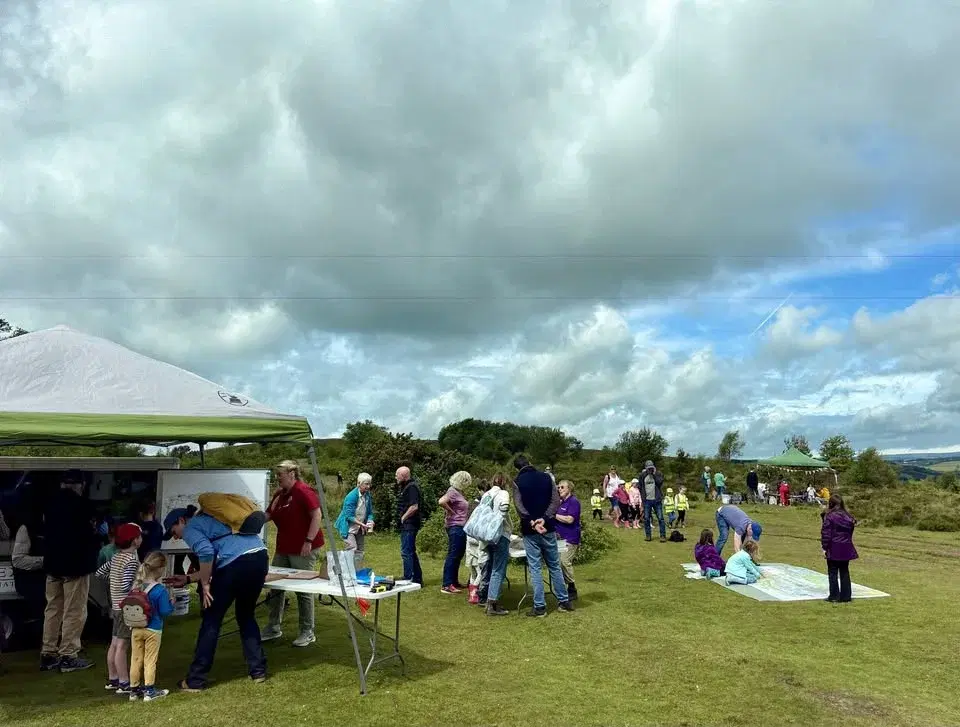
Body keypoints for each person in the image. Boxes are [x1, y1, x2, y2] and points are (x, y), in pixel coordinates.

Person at [163, 503, 269, 691]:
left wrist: (204, 585)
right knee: (246, 616)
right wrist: (188, 578)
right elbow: (216, 561)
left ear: (181, 521)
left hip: (235, 564)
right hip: (259, 557)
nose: (176, 537)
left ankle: (195, 680)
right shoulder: (213, 519)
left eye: (174, 531)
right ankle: (258, 671)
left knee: (211, 620)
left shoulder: (192, 526)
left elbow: (206, 553)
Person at [41, 470, 100, 673]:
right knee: (74, 611)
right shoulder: (84, 506)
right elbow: (90, 535)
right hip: (75, 566)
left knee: (53, 609)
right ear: (80, 485)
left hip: (52, 565)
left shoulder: (49, 504)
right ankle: (68, 655)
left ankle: (48, 653)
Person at [262, 460, 325, 648]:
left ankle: (307, 631)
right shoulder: (279, 495)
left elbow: (317, 515)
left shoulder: (303, 491)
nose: (277, 478)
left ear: (291, 474)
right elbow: (268, 515)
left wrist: (308, 541)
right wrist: (247, 522)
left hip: (303, 547)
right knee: (275, 586)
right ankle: (273, 627)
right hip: (284, 547)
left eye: (279, 474)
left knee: (303, 589)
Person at [512, 455, 573, 617]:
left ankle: (540, 607)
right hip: (549, 527)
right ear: (530, 463)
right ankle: (563, 601)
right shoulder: (547, 477)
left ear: (517, 468)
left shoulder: (517, 482)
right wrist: (544, 518)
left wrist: (532, 521)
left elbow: (519, 506)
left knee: (535, 568)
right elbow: (555, 501)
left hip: (530, 530)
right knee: (554, 565)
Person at [95, 522, 142, 695]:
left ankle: (113, 678)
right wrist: (135, 587)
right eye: (139, 536)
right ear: (134, 541)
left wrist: (112, 579)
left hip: (115, 606)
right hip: (125, 608)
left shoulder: (115, 557)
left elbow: (99, 573)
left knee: (114, 643)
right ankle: (124, 682)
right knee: (122, 645)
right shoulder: (131, 560)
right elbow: (125, 586)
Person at [128, 551, 174, 701]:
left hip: (136, 628)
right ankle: (149, 691)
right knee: (150, 659)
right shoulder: (160, 590)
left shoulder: (137, 586)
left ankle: (134, 690)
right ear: (160, 569)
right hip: (153, 629)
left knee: (135, 659)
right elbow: (165, 611)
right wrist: (172, 603)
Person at [483, 473, 513, 617]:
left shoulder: (487, 494)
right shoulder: (503, 493)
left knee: (491, 567)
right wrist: (500, 519)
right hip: (500, 534)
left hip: (487, 535)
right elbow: (505, 508)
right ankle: (492, 603)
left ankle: (488, 599)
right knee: (498, 569)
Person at [821, 494, 858, 604]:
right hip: (846, 546)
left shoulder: (830, 516)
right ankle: (846, 596)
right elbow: (850, 533)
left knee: (832, 572)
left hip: (834, 546)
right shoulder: (849, 517)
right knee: (844, 571)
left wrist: (824, 547)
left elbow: (826, 533)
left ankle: (834, 596)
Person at [438, 470, 471, 594]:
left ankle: (454, 581)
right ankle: (447, 584)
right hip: (455, 526)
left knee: (458, 554)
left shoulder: (457, 492)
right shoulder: (452, 492)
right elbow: (441, 501)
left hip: (460, 526)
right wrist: (451, 511)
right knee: (453, 554)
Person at [335, 472, 375, 568]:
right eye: (366, 484)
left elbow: (369, 512)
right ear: (359, 483)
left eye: (369, 484)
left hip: (360, 527)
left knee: (360, 550)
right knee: (352, 549)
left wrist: (370, 521)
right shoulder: (351, 496)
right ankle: (346, 570)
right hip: (348, 527)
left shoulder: (367, 495)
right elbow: (348, 516)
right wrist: (362, 523)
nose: (368, 486)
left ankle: (358, 571)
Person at [554, 480, 581, 601]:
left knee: (564, 561)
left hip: (570, 537)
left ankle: (572, 588)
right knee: (558, 564)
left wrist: (555, 515)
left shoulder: (573, 502)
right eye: (558, 487)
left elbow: (570, 519)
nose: (560, 489)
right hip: (558, 538)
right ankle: (561, 589)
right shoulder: (560, 503)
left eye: (562, 487)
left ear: (569, 488)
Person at [396, 466, 423, 585]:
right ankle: (417, 578)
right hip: (408, 524)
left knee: (406, 551)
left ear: (403, 475)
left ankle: (408, 578)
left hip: (410, 524)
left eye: (397, 475)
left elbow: (414, 506)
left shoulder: (411, 487)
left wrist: (403, 517)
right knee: (410, 550)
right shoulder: (406, 487)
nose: (395, 477)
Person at [638, 460, 667, 543]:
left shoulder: (658, 474)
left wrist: (654, 474)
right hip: (647, 500)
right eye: (648, 468)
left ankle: (662, 536)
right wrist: (643, 497)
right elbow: (640, 486)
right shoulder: (642, 475)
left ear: (653, 467)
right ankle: (648, 535)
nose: (649, 469)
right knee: (646, 518)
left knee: (660, 518)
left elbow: (660, 483)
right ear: (645, 468)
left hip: (657, 500)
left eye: (651, 468)